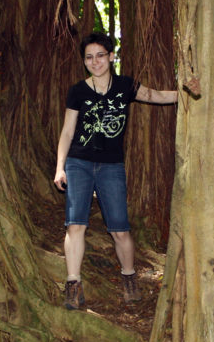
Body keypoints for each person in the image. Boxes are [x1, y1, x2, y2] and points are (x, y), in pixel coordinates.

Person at [53, 32, 178, 309]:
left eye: (100, 55)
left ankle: (129, 278)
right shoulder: (78, 91)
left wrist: (185, 94)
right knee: (75, 225)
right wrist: (60, 167)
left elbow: (154, 96)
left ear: (111, 56)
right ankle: (73, 284)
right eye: (89, 57)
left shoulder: (125, 85)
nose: (95, 61)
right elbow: (68, 131)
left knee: (120, 228)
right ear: (84, 61)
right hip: (79, 163)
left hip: (111, 166)